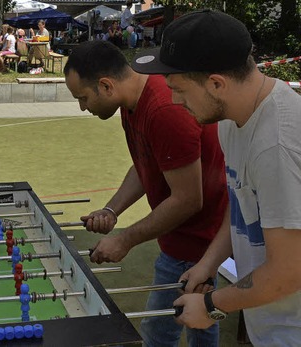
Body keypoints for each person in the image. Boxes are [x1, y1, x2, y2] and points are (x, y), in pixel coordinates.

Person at [131, 10, 301, 345]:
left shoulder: (276, 145)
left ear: (216, 84)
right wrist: (208, 263)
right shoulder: (231, 119)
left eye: (179, 90)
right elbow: (240, 204)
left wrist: (210, 304)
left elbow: (289, 270)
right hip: (271, 318)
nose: (175, 101)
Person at [64, 40, 228, 346]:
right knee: (200, 323)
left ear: (106, 85)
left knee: (161, 334)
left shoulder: (164, 109)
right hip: (185, 240)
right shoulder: (133, 100)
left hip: (194, 244)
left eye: (83, 98)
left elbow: (189, 199)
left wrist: (125, 240)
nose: (82, 108)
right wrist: (112, 211)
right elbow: (146, 163)